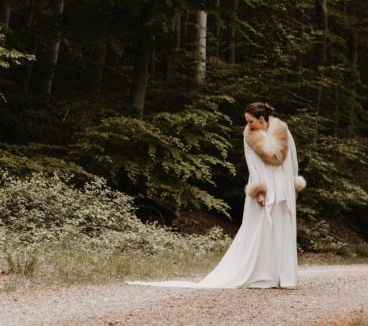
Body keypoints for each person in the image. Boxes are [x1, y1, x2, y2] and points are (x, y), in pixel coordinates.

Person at [129, 102, 305, 289]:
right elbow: (252, 165)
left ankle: (283, 277)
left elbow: (292, 159)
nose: (248, 124)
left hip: (283, 186)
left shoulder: (281, 129)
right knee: (260, 232)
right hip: (264, 186)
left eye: (251, 121)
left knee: (282, 229)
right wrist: (259, 192)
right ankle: (263, 276)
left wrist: (292, 187)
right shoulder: (249, 136)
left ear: (262, 119)